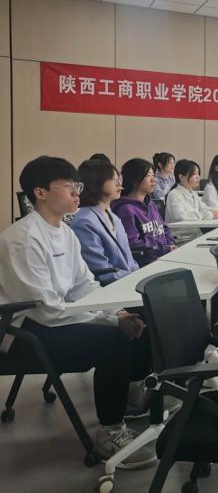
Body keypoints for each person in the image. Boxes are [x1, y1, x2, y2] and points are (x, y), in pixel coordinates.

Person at [0, 156, 156, 468]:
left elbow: (84, 285)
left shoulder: (64, 231)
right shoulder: (23, 238)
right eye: (69, 186)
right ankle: (110, 431)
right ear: (40, 193)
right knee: (112, 340)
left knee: (140, 315)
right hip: (24, 330)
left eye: (78, 186)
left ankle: (130, 397)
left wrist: (116, 312)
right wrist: (108, 321)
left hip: (55, 317)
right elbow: (44, 310)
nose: (76, 193)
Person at [70, 160, 140, 286]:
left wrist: (138, 275)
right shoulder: (84, 222)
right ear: (96, 182)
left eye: (119, 179)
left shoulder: (112, 215)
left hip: (127, 280)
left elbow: (129, 259)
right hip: (112, 287)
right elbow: (102, 271)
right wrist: (133, 279)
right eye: (114, 180)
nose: (120, 184)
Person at [111, 158, 176, 266]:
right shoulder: (126, 210)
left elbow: (164, 228)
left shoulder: (150, 204)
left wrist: (171, 244)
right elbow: (134, 244)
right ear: (135, 180)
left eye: (153, 175)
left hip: (165, 257)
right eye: (148, 176)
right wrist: (164, 249)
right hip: (147, 264)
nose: (153, 180)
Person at [165, 159, 218, 224]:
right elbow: (180, 217)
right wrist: (209, 214)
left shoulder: (193, 193)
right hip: (180, 230)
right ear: (181, 177)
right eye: (193, 174)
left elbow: (204, 208)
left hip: (195, 229)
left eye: (198, 173)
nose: (198, 177)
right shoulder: (174, 194)